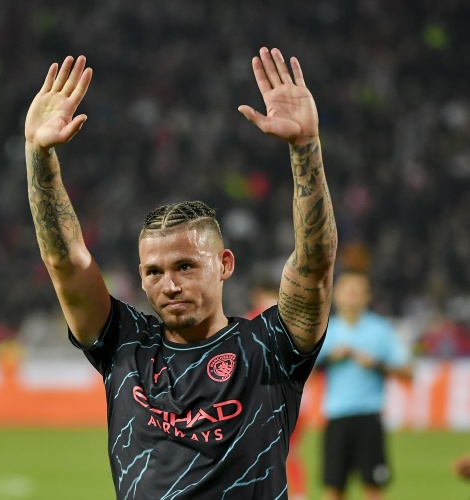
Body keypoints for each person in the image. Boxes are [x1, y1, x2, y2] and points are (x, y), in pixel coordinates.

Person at [24, 47, 337, 499]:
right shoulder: (124, 347)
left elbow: (314, 263)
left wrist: (305, 148)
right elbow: (65, 263)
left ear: (224, 264)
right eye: (154, 271)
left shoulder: (270, 347)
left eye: (186, 266)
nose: (169, 285)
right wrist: (39, 154)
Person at [317, 270, 413, 500]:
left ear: (367, 296)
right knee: (334, 488)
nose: (352, 297)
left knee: (373, 486)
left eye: (357, 292)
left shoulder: (381, 330)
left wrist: (376, 364)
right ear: (336, 295)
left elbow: (408, 371)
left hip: (369, 416)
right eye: (347, 291)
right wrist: (329, 358)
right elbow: (303, 372)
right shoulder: (325, 331)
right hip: (336, 416)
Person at [244, 275, 309, 500]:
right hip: (297, 397)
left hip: (264, 400)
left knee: (262, 453)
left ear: (257, 294)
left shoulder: (253, 319)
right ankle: (299, 495)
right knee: (292, 452)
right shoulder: (296, 317)